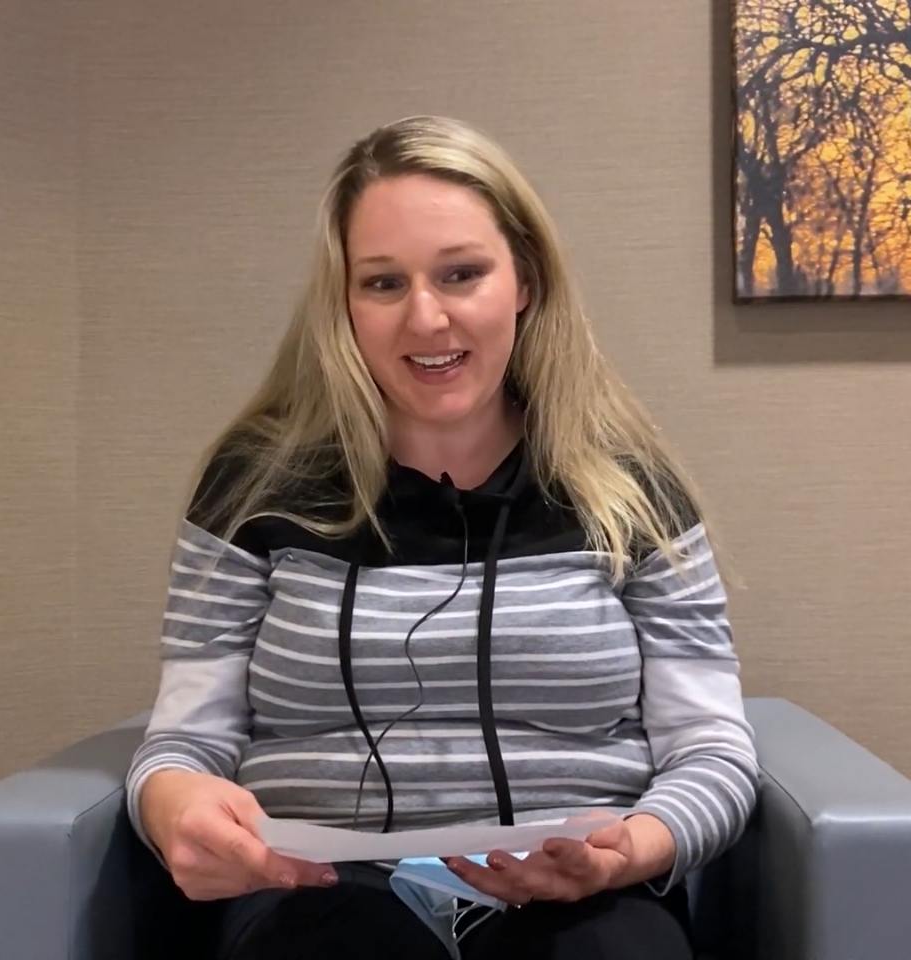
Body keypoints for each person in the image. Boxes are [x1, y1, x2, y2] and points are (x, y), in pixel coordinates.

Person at [125, 114, 759, 960]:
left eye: (461, 273)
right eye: (384, 284)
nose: (427, 319)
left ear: (525, 280)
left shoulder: (629, 489)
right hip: (314, 896)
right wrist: (175, 807)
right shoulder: (254, 484)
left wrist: (632, 852)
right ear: (343, 303)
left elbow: (711, 747)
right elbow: (183, 742)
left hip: (582, 901)